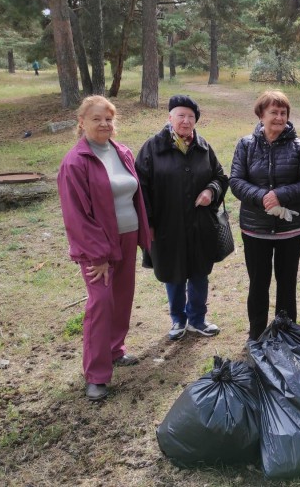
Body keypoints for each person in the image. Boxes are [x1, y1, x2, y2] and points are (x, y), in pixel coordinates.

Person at [57, 96, 150, 402]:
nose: (104, 124)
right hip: (97, 247)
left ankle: (115, 350)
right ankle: (96, 375)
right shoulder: (75, 162)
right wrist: (98, 256)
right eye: (96, 119)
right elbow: (76, 217)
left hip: (127, 236)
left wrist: (143, 236)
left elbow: (134, 196)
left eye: (109, 119)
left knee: (122, 299)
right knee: (101, 304)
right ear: (81, 122)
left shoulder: (122, 151)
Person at [135, 95, 229, 341]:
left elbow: (220, 176)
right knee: (173, 272)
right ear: (170, 118)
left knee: (199, 272)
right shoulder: (152, 148)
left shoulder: (203, 147)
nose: (186, 121)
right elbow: (141, 188)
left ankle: (197, 319)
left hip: (200, 225)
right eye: (181, 116)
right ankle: (178, 319)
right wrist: (150, 225)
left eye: (191, 117)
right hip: (168, 226)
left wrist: (211, 191)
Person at [230, 90, 300, 340]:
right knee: (258, 284)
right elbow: (235, 181)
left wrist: (281, 194)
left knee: (287, 283)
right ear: (261, 115)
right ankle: (256, 334)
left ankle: (285, 333)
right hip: (255, 229)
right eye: (273, 112)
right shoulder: (246, 145)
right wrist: (261, 196)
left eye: (283, 113)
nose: (279, 118)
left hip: (290, 230)